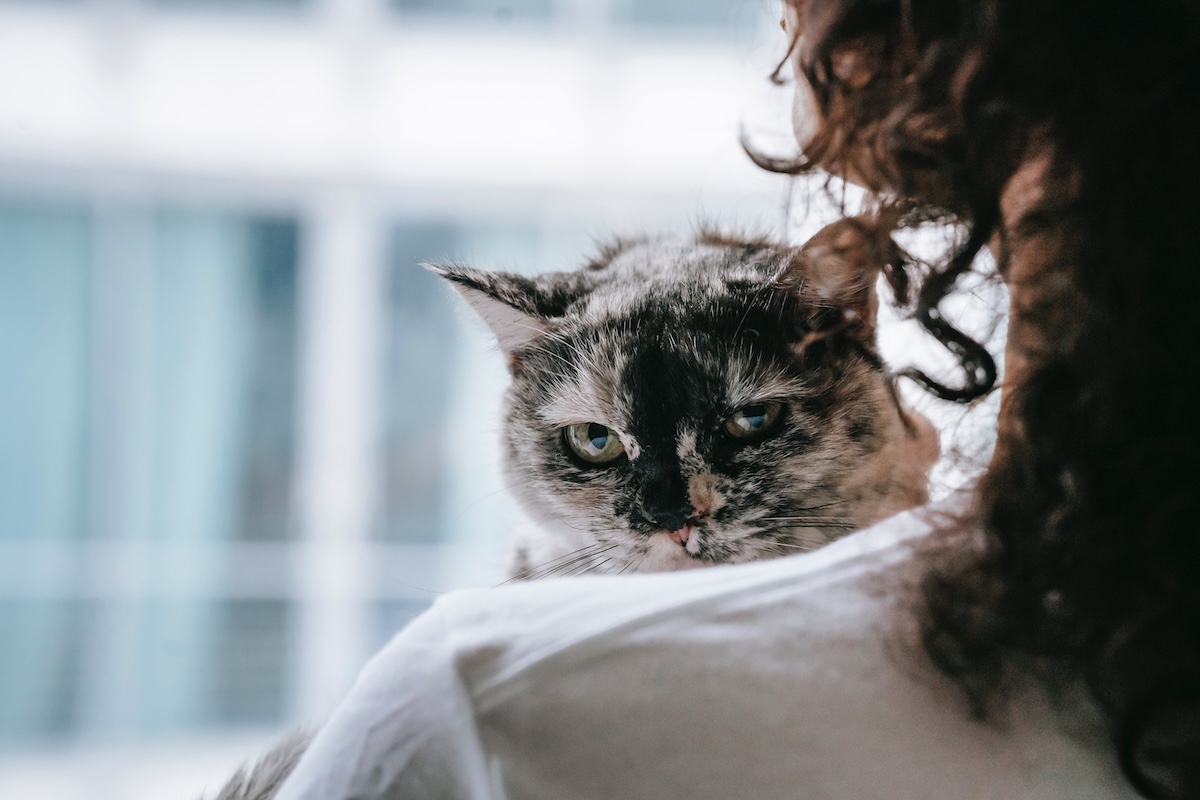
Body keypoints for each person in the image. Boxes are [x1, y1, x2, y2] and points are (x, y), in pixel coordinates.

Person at [264, 1, 1200, 797]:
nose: (677, 512)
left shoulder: (487, 699)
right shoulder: (1131, 627)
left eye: (751, 424)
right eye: (597, 445)